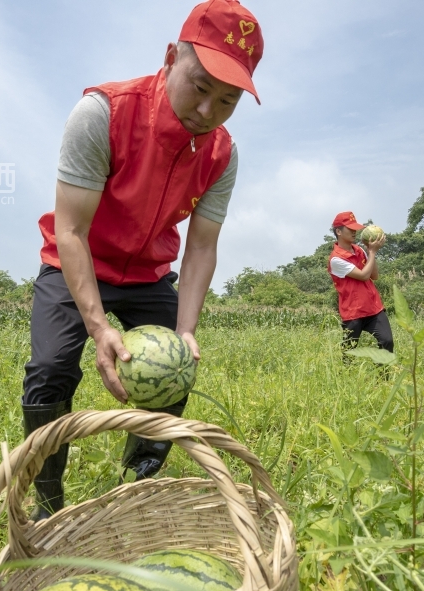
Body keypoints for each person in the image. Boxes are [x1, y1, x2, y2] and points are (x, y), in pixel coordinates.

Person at [21, 0, 264, 519]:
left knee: (178, 367)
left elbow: (201, 246)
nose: (207, 112)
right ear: (171, 56)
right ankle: (47, 501)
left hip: (148, 272)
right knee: (50, 369)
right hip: (76, 261)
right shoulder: (102, 114)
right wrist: (96, 325)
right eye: (199, 87)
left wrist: (187, 329)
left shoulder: (222, 153)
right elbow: (71, 229)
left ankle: (137, 482)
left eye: (227, 101)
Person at [328, 213, 393, 355]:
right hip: (353, 312)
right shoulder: (336, 259)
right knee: (349, 353)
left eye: (355, 229)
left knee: (386, 342)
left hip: (373, 308)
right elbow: (364, 276)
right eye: (350, 229)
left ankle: (383, 377)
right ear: (338, 231)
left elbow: (374, 276)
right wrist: (373, 252)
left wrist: (370, 252)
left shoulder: (359, 250)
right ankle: (346, 376)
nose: (354, 232)